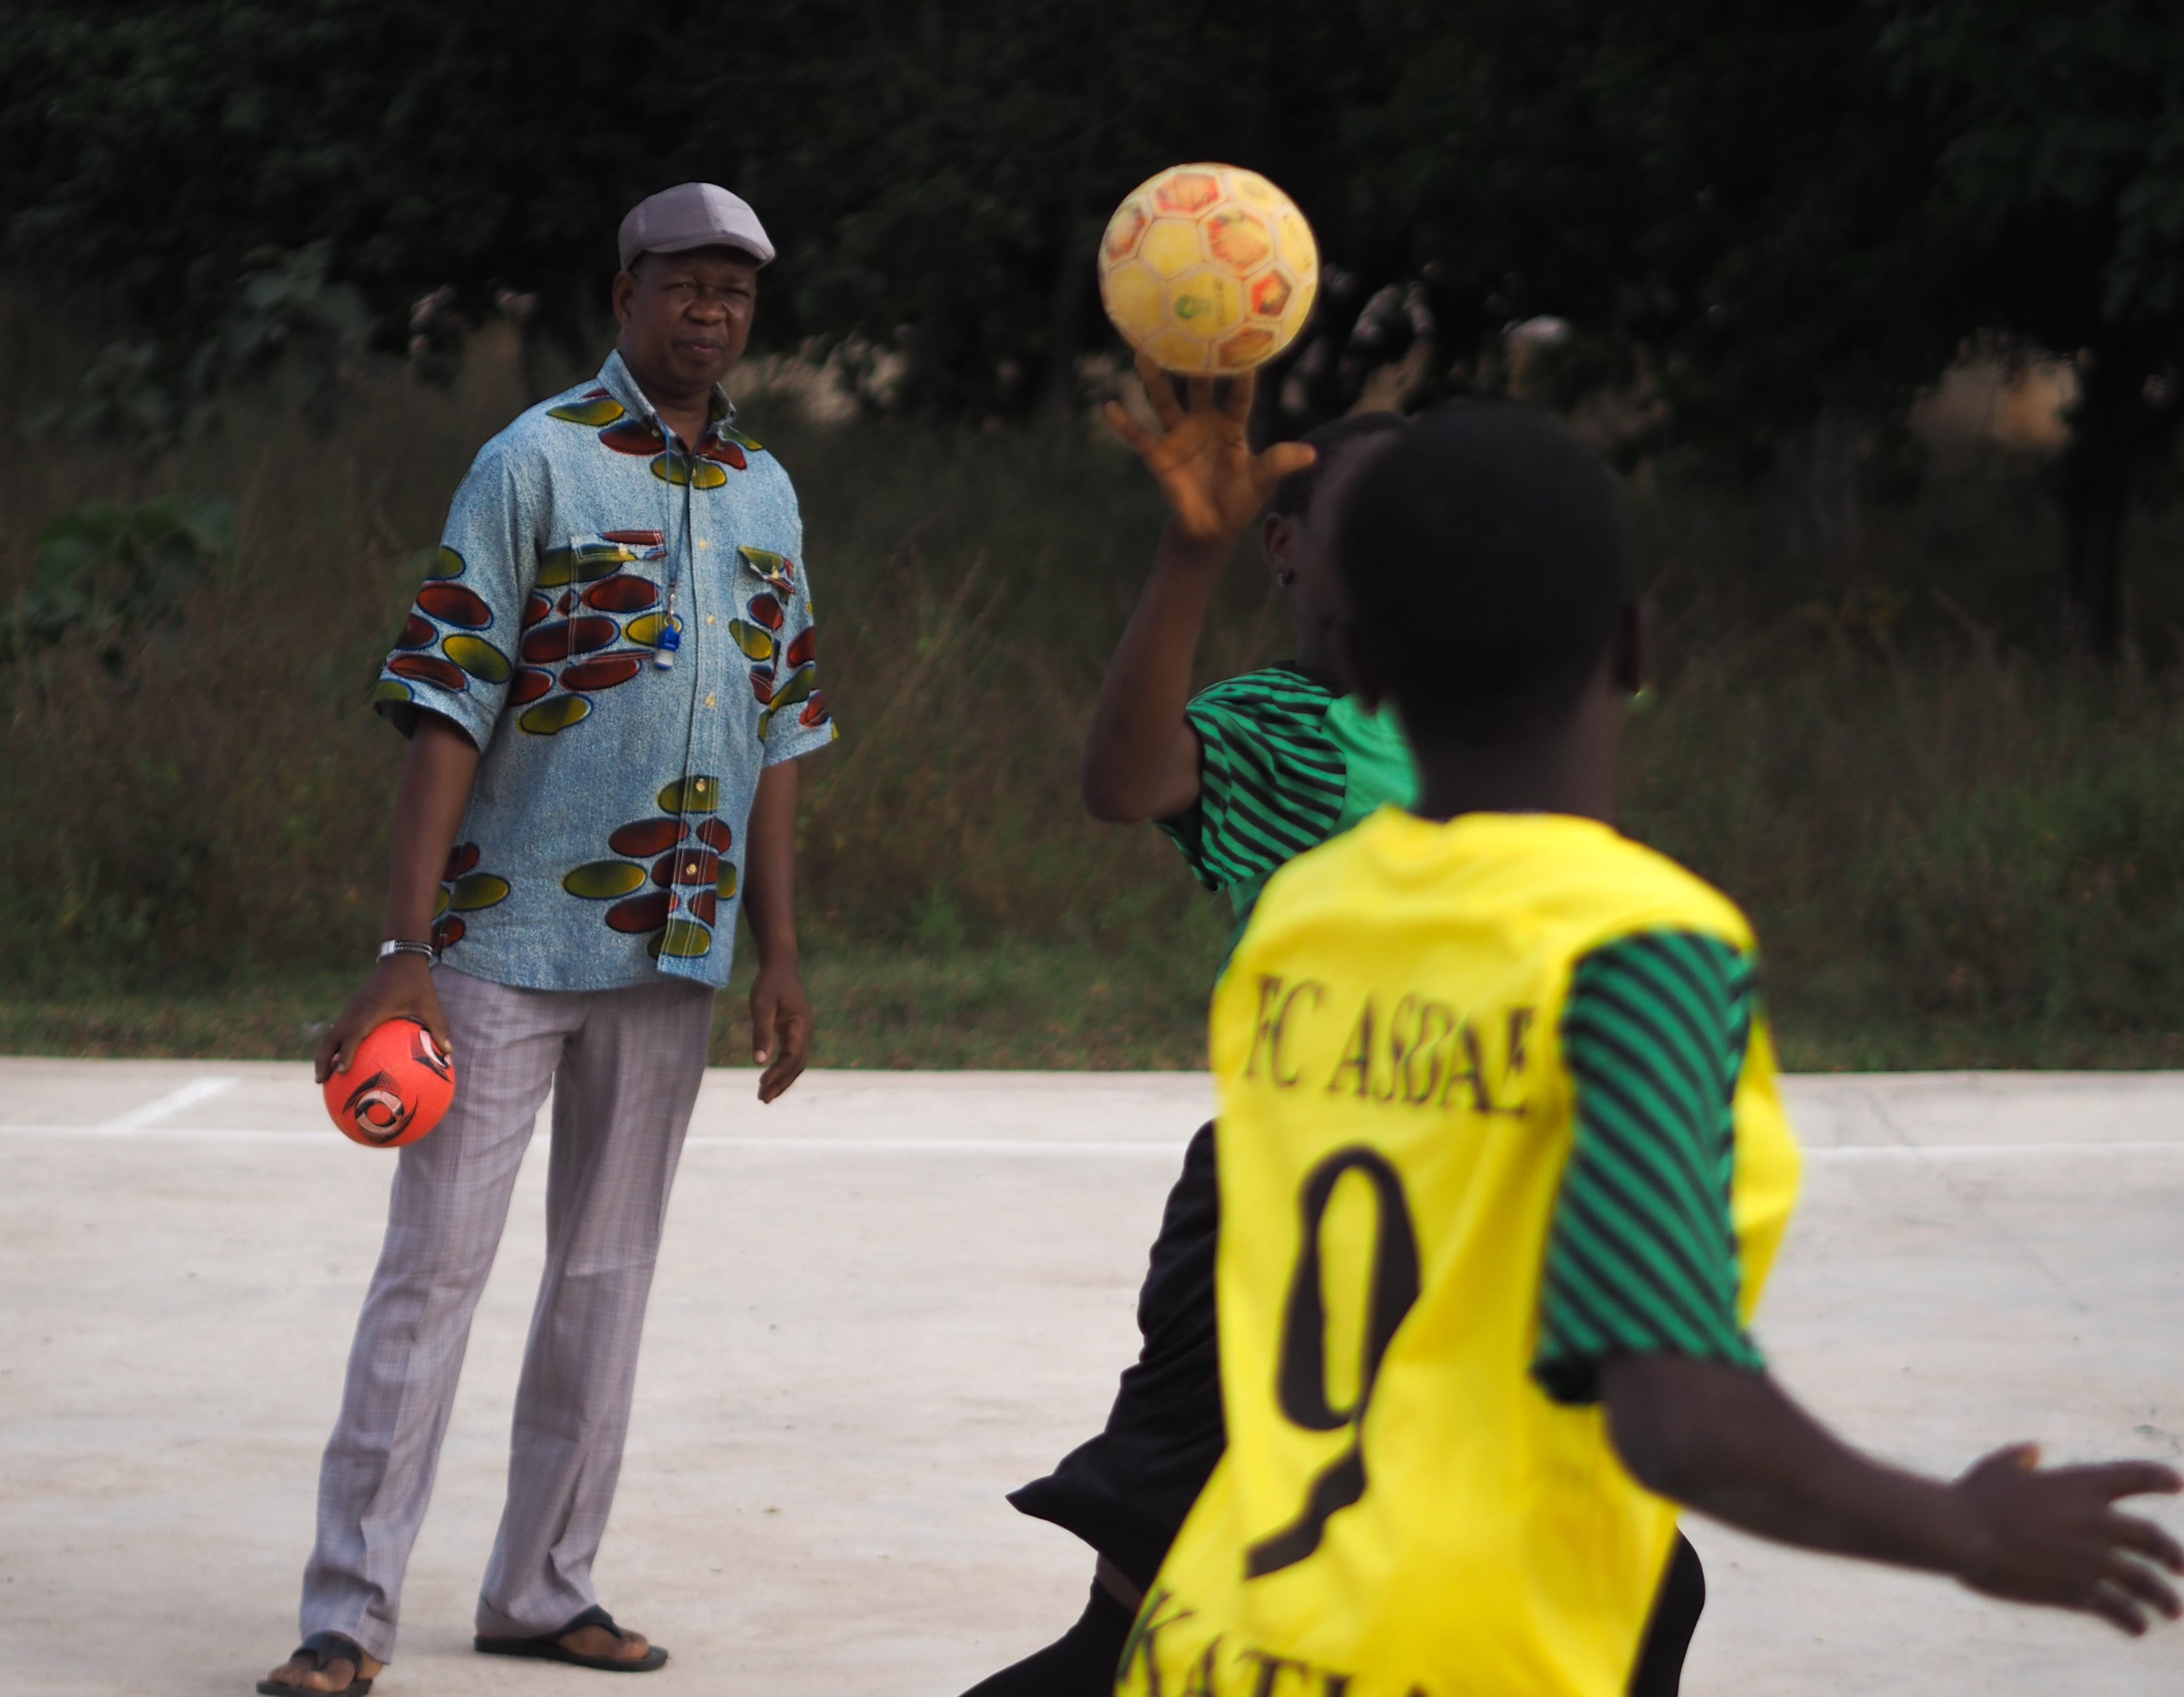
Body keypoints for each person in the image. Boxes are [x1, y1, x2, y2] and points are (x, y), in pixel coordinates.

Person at [1115, 404, 2183, 1696]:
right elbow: (1674, 1407)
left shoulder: (1297, 925)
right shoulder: (1639, 950)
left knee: (1661, 1593)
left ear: (1367, 665)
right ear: (1634, 642)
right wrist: (1963, 1527)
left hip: (1216, 1640)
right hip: (1455, 1660)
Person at [966, 366, 1710, 1697]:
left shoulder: (1492, 714)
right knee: (1129, 1634)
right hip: (1289, 1200)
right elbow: (1125, 779)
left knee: (1640, 1588)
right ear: (1286, 546)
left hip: (1482, 1198)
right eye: (1373, 518)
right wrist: (1181, 560)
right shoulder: (1281, 731)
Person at [259, 183, 838, 1697]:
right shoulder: (535, 463)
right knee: (433, 1274)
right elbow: (446, 704)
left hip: (678, 948)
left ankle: (543, 1585)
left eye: (738, 290)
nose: (712, 311)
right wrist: (404, 946)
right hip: (502, 936)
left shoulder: (770, 494)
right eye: (686, 284)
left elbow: (783, 735)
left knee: (608, 1277)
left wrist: (779, 954)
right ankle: (348, 1613)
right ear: (626, 291)